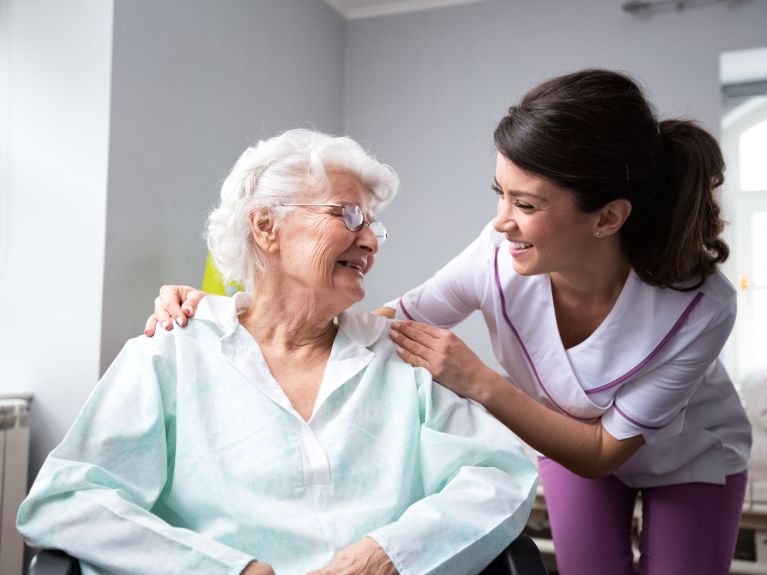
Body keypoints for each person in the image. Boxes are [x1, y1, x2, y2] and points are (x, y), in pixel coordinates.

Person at [148, 70, 753, 575]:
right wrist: (230, 314)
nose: (500, 222)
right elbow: (385, 325)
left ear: (606, 218)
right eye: (500, 193)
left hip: (686, 457)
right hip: (564, 448)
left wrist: (478, 380)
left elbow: (601, 452)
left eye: (527, 204)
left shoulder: (699, 308)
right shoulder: (496, 258)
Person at [17, 129, 538, 575]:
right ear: (266, 226)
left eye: (373, 226)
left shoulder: (403, 359)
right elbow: (69, 500)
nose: (372, 242)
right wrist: (228, 570)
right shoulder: (171, 354)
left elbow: (500, 477)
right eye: (349, 214)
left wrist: (386, 556)